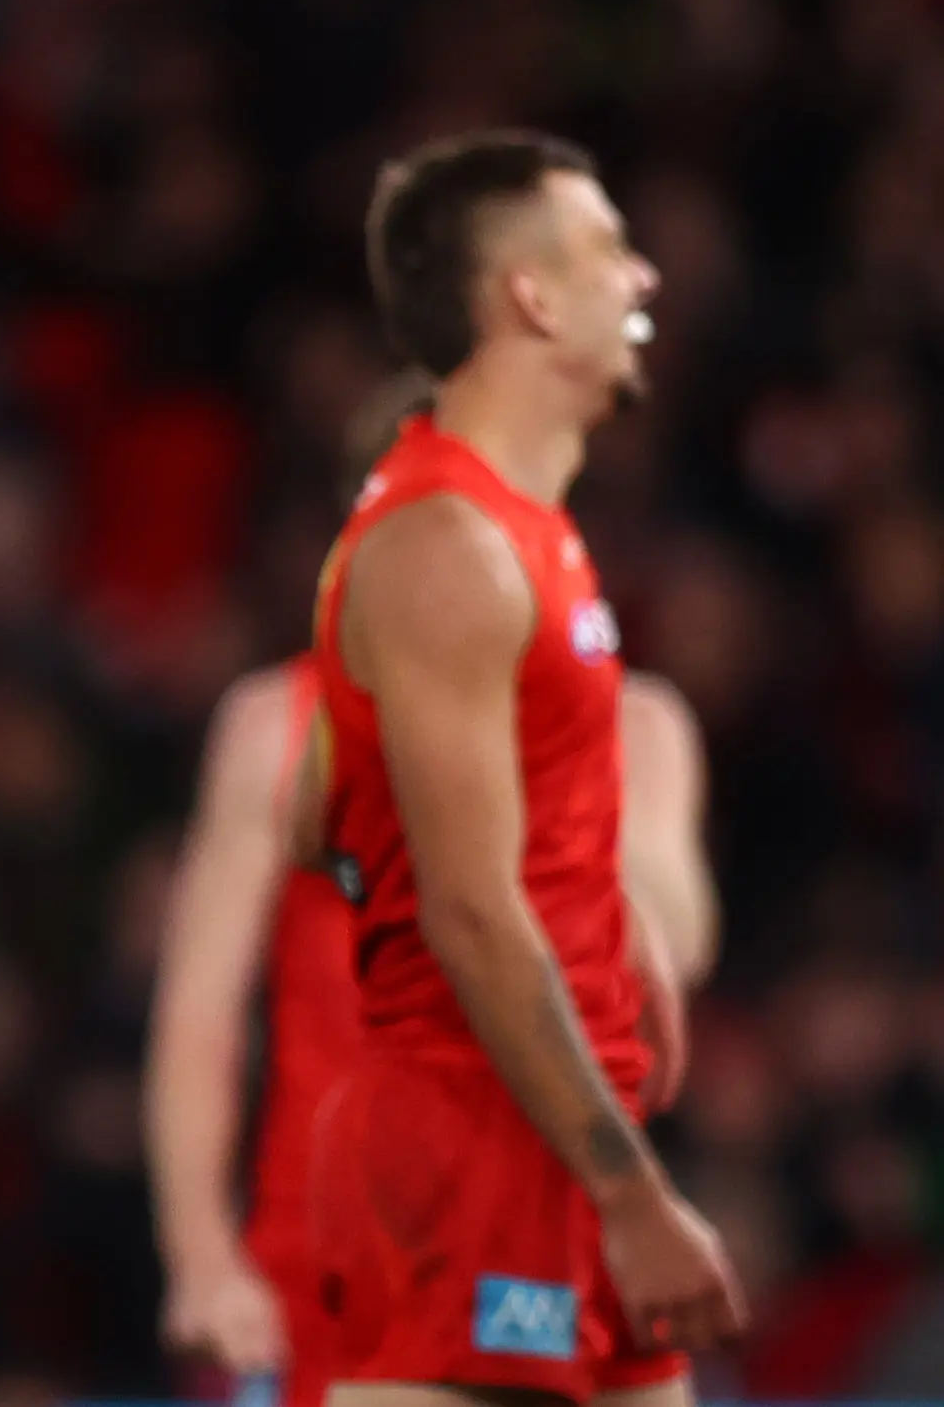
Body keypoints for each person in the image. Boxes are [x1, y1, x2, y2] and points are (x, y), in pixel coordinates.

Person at [144, 384, 722, 1407]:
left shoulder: (635, 727)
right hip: (333, 1255)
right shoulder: (280, 725)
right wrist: (199, 1252)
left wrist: (550, 781)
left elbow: (669, 936)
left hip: (564, 1232)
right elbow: (199, 1012)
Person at [305, 130, 746, 1407]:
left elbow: (338, 819)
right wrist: (635, 1191)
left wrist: (608, 920)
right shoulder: (443, 541)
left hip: (556, 1129)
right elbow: (469, 908)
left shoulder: (520, 533)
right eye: (608, 247)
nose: (646, 275)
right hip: (465, 1146)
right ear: (529, 296)